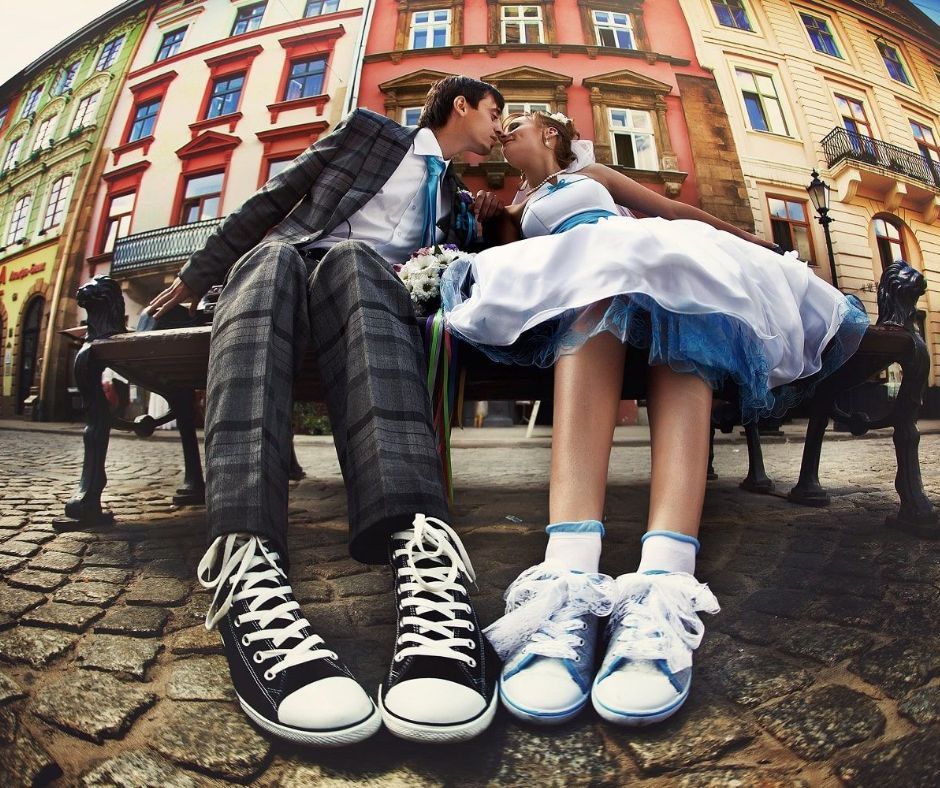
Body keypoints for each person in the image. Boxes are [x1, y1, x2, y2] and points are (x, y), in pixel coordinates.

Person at [442, 111, 869, 727]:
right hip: (572, 278)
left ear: (553, 135)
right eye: (500, 124)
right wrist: (487, 222)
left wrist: (746, 240)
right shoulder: (516, 201)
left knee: (683, 291)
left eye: (518, 124)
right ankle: (568, 571)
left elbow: (673, 211)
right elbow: (523, 268)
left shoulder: (592, 172)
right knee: (591, 293)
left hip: (643, 251)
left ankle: (667, 577)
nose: (504, 133)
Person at [146, 76, 507, 746]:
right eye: (495, 115)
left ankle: (423, 557)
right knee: (276, 255)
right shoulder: (371, 132)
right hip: (283, 282)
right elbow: (276, 199)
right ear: (461, 105)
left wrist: (488, 222)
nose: (498, 130)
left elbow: (465, 271)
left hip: (367, 303)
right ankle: (245, 558)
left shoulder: (459, 195)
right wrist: (196, 275)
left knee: (354, 260)